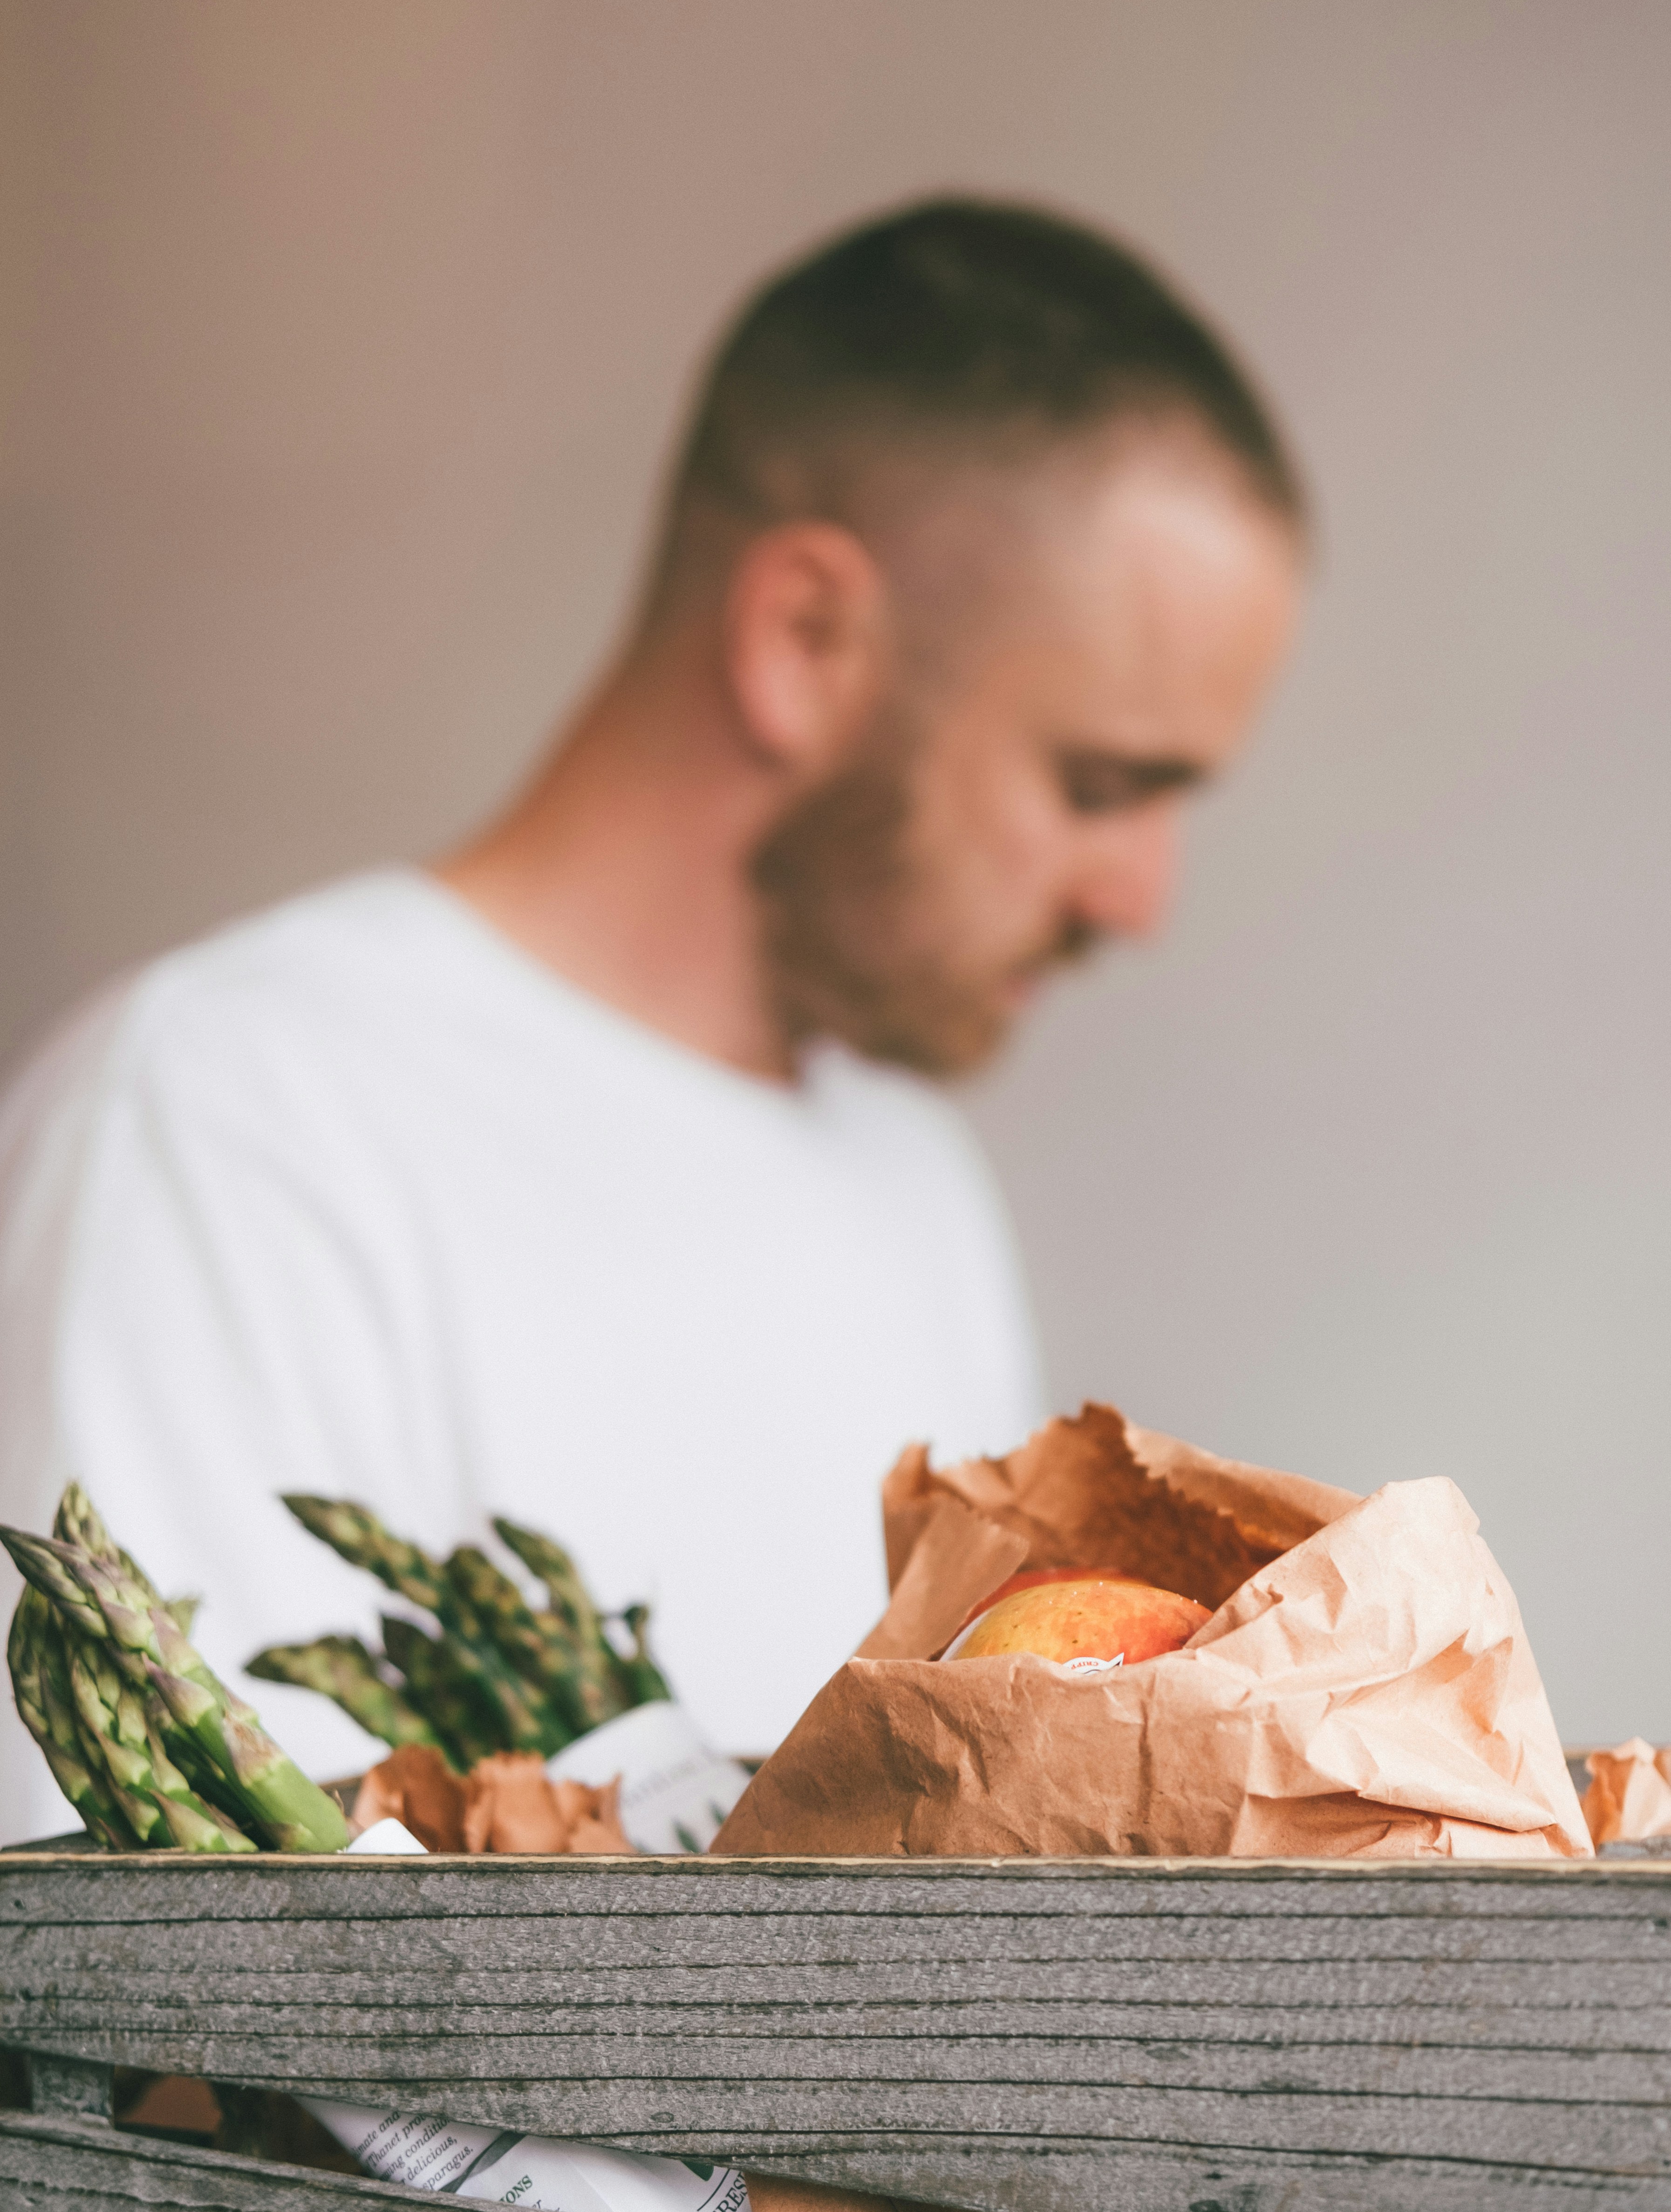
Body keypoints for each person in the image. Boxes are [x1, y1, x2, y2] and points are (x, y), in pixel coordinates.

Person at [0, 198, 1304, 1844]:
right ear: (805, 639)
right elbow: (137, 2005)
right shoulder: (225, 1119)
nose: (1141, 899)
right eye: (1100, 785)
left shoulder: (914, 1177)